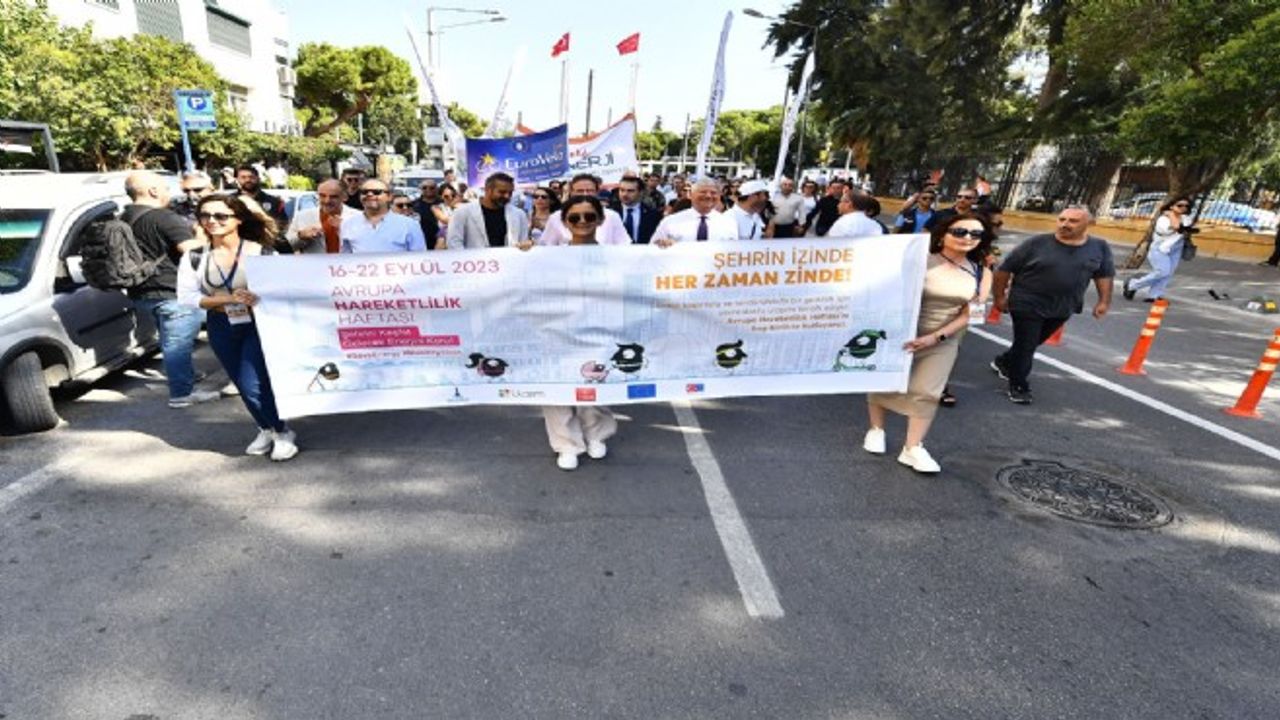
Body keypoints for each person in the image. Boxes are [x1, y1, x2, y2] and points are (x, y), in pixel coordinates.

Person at [863, 213, 993, 473]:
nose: (968, 237)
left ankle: (913, 448)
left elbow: (970, 314)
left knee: (928, 390)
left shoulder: (982, 273)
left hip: (943, 338)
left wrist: (936, 337)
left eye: (976, 234)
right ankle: (876, 429)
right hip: (901, 333)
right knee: (885, 381)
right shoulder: (919, 261)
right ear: (943, 234)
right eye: (960, 231)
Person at [176, 194, 298, 461]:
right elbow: (187, 297)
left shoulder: (264, 253)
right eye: (205, 215)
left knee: (253, 382)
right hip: (221, 323)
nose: (212, 221)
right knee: (241, 383)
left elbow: (284, 290)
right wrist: (227, 299)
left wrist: (258, 297)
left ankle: (282, 432)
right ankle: (265, 428)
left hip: (258, 323)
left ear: (238, 219)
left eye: (220, 216)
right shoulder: (195, 257)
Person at [516, 195, 619, 471]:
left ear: (600, 220)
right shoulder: (548, 256)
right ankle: (566, 444)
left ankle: (596, 435)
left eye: (589, 216)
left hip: (598, 328)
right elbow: (525, 280)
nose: (582, 222)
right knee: (557, 386)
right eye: (574, 217)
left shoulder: (617, 256)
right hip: (556, 328)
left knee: (595, 381)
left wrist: (664, 250)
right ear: (564, 222)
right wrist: (523, 253)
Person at [991, 206, 1114, 404]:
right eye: (1062, 219)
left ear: (1089, 224)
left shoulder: (1099, 247)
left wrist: (1103, 301)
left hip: (1063, 306)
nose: (1065, 224)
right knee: (1027, 345)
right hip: (1027, 302)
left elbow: (1104, 275)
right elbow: (1004, 270)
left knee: (1032, 342)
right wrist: (999, 297)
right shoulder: (1036, 243)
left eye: (1073, 221)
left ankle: (1004, 361)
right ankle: (1019, 385)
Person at [120, 171, 217, 409]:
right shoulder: (163, 217)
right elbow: (193, 251)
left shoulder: (124, 217)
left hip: (141, 291)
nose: (168, 193)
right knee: (177, 346)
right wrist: (203, 237)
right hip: (172, 290)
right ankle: (182, 394)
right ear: (153, 191)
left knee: (170, 341)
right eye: (165, 188)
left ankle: (186, 376)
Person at [1123, 196, 1196, 302]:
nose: (1183, 208)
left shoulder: (1186, 219)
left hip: (1176, 248)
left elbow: (1184, 229)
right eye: (1179, 205)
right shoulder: (1163, 220)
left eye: (1186, 206)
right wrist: (1171, 215)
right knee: (1162, 272)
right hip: (1160, 249)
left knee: (1168, 273)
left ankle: (1154, 295)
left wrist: (1176, 219)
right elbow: (1175, 228)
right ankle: (1132, 284)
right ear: (1171, 206)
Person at [539, 174, 630, 245]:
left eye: (589, 191)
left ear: (597, 192)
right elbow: (547, 247)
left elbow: (623, 245)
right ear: (571, 192)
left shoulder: (612, 216)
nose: (585, 194)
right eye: (580, 191)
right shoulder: (556, 217)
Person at [445, 172, 530, 249]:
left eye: (510, 193)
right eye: (502, 192)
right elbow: (454, 243)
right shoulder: (462, 212)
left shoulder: (519, 215)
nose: (507, 196)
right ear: (488, 190)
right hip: (474, 261)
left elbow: (523, 243)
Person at [340, 179, 427, 253]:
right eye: (364, 192)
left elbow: (419, 258)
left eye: (376, 192)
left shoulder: (410, 225)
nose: (369, 194)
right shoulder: (348, 224)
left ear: (389, 197)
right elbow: (347, 258)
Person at [651, 178, 738, 244]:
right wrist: (663, 245)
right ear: (691, 195)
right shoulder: (670, 221)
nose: (708, 196)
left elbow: (733, 253)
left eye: (713, 193)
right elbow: (653, 249)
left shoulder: (728, 223)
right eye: (703, 192)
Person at [286, 179, 357, 254]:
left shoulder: (357, 217)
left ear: (345, 197)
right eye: (322, 196)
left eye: (333, 197)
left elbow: (363, 246)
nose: (327, 201)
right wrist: (301, 236)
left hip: (346, 261)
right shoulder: (302, 216)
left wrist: (345, 229)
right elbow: (286, 247)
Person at [610, 175, 661, 244]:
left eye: (630, 191)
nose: (625, 194)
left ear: (640, 192)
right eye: (622, 190)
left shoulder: (653, 215)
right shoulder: (610, 213)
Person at [411, 180, 441, 249]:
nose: (428, 190)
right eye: (424, 188)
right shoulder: (413, 205)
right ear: (420, 189)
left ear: (436, 189)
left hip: (440, 242)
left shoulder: (443, 203)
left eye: (431, 188)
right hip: (420, 242)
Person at [433, 185, 459, 250]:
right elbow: (444, 220)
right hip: (445, 233)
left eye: (452, 195)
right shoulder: (436, 207)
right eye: (446, 196)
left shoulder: (461, 205)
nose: (450, 198)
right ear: (441, 196)